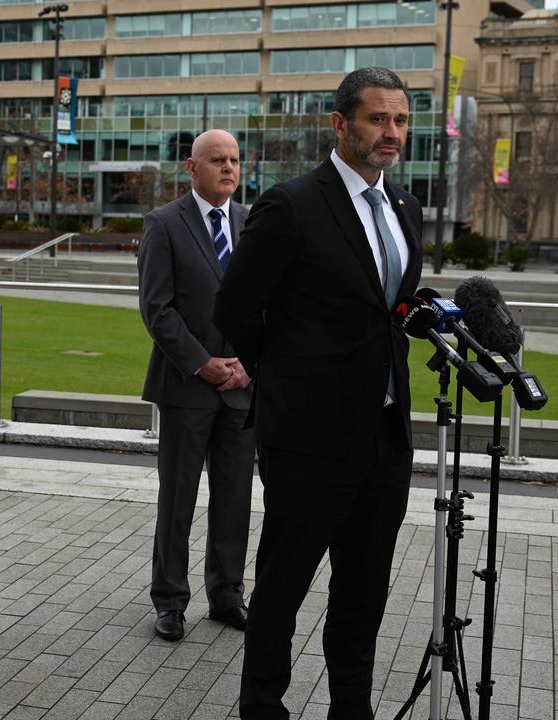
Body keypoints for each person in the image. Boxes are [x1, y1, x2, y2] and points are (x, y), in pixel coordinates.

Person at [213, 67, 424, 720]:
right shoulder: (291, 205)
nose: (391, 133)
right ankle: (262, 707)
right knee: (282, 590)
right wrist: (284, 378)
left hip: (385, 437)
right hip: (307, 440)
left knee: (364, 594)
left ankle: (349, 710)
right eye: (377, 119)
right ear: (340, 124)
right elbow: (235, 310)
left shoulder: (405, 208)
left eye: (400, 121)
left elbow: (391, 307)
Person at [136, 129, 255, 642]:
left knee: (235, 498)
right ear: (192, 167)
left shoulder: (254, 224)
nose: (229, 168)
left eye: (234, 160)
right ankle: (169, 600)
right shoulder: (164, 224)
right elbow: (156, 310)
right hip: (187, 386)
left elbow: (269, 304)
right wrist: (203, 363)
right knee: (178, 498)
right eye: (217, 160)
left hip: (243, 386)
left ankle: (226, 595)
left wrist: (250, 363)